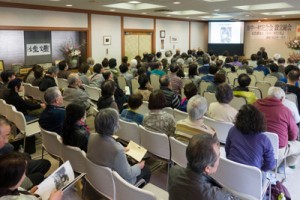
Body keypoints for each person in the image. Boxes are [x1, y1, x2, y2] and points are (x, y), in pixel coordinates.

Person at [87, 108, 151, 185]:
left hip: (97, 175)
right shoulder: (117, 150)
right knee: (146, 170)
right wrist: (139, 166)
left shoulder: (92, 136)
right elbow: (128, 174)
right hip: (115, 183)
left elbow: (103, 150)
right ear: (113, 126)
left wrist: (121, 150)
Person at [168, 134, 239, 200]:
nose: (219, 158)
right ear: (207, 168)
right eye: (218, 155)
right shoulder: (216, 196)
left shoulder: (173, 171)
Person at [254, 87, 300, 172]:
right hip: (276, 152)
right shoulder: (286, 111)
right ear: (282, 98)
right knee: (298, 146)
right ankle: (281, 167)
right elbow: (294, 134)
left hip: (255, 147)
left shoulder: (255, 104)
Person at [0, 118, 51, 188]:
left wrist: (21, 160)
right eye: (5, 136)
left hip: (14, 169)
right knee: (39, 176)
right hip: (10, 181)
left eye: (8, 135)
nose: (6, 140)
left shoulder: (6, 146)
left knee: (44, 163)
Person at [225, 104, 275, 173]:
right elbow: (270, 165)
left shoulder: (233, 130)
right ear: (259, 120)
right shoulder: (264, 139)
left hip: (230, 172)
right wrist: (260, 171)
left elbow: (227, 150)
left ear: (239, 118)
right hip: (253, 177)